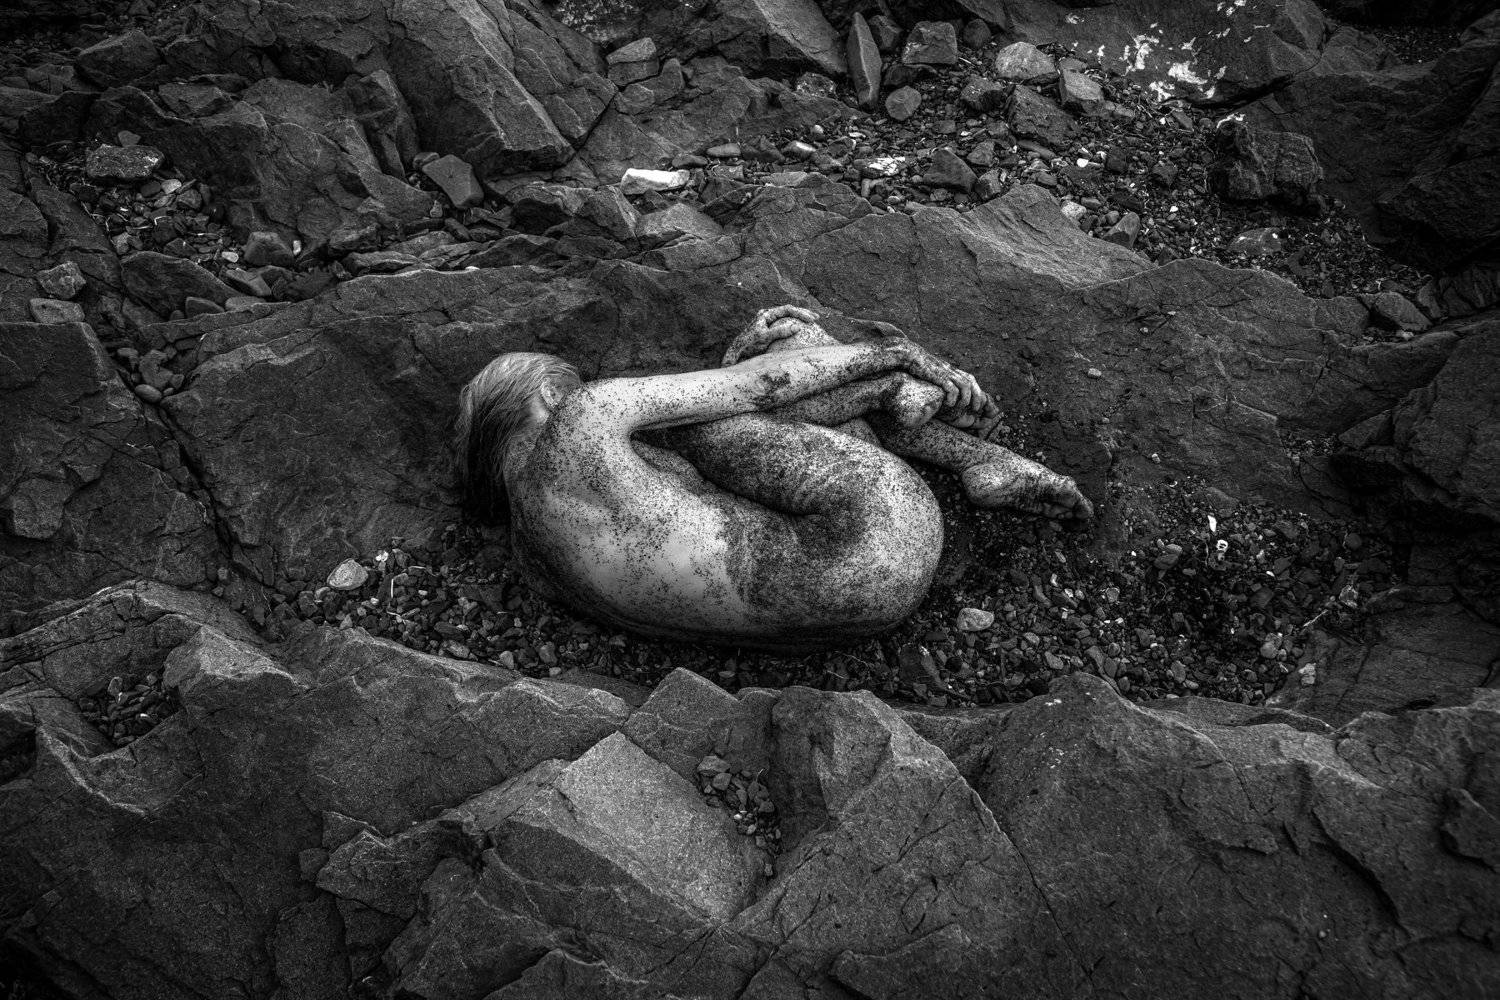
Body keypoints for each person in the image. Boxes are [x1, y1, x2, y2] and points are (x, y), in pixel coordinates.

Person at [456, 305, 1092, 652]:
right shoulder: (585, 418)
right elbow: (755, 390)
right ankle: (939, 428)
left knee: (708, 428)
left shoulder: (532, 556)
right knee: (758, 381)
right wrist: (897, 354)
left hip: (852, 614)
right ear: (551, 395)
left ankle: (923, 421)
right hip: (882, 530)